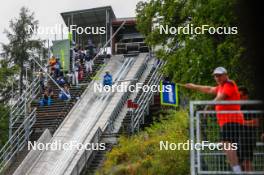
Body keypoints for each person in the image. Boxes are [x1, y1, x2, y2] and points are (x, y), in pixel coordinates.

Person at [184, 67, 245, 174]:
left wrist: (208, 106)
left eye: (220, 75)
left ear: (226, 75)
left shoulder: (229, 84)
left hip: (231, 120)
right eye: (216, 76)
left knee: (226, 144)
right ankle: (237, 169)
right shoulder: (221, 87)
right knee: (229, 146)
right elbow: (208, 89)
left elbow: (221, 97)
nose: (217, 78)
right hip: (228, 121)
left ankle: (237, 170)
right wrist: (193, 86)